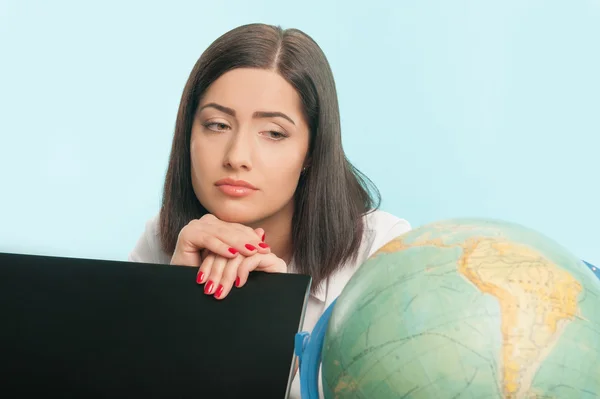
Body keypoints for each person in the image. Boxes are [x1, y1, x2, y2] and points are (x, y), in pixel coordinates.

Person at [128, 23, 411, 398]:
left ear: (311, 150)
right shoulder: (163, 241)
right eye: (217, 125)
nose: (237, 157)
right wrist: (177, 301)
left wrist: (274, 315)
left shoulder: (382, 254)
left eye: (273, 133)